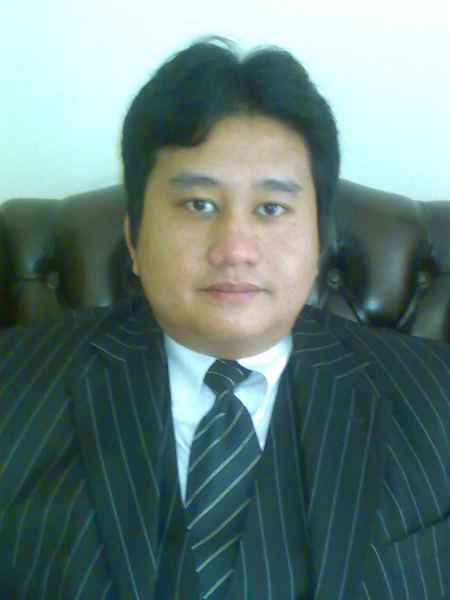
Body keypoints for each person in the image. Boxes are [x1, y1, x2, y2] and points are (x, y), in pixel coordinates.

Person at [0, 38, 449, 600]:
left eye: (271, 208)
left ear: (320, 241)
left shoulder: (438, 396)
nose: (235, 249)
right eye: (199, 205)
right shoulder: (13, 386)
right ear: (134, 239)